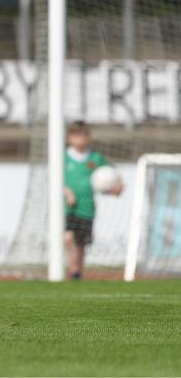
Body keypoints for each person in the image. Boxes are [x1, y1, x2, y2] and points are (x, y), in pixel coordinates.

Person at [63, 120, 123, 280]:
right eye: (76, 135)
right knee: (68, 238)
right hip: (67, 207)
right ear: (69, 137)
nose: (80, 139)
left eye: (84, 135)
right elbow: (55, 179)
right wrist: (67, 192)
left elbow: (112, 176)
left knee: (81, 244)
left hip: (87, 207)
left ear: (88, 137)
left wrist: (117, 187)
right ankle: (73, 268)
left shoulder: (96, 158)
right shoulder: (63, 157)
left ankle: (78, 274)